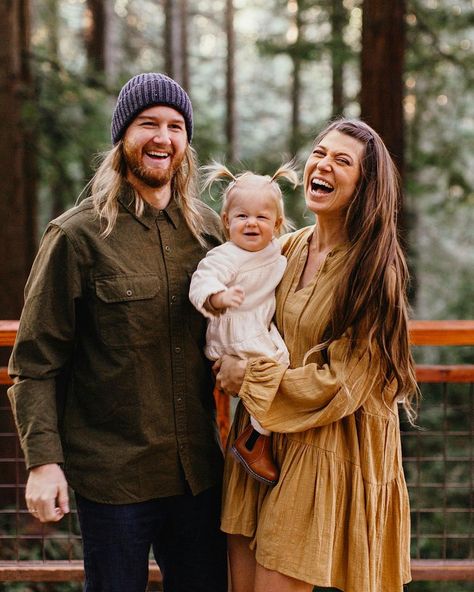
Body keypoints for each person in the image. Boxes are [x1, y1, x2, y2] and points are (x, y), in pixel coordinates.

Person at [8, 73, 228, 592]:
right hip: (114, 479)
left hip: (199, 473)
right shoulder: (77, 236)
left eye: (175, 126)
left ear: (186, 143)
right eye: (147, 123)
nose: (162, 137)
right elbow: (35, 363)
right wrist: (43, 463)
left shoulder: (210, 233)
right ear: (121, 138)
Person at [214, 118, 418, 592]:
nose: (323, 165)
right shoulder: (285, 248)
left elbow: (342, 381)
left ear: (365, 186)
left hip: (327, 447)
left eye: (342, 161)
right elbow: (232, 287)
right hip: (261, 446)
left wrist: (250, 379)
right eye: (321, 153)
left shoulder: (373, 270)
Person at [189, 162, 298, 485]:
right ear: (226, 221)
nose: (251, 223)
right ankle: (255, 442)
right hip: (233, 332)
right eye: (242, 216)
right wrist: (218, 297)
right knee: (271, 371)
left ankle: (256, 435)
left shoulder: (275, 251)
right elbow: (201, 281)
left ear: (277, 224)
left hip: (259, 328)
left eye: (262, 217)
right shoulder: (227, 255)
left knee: (284, 363)